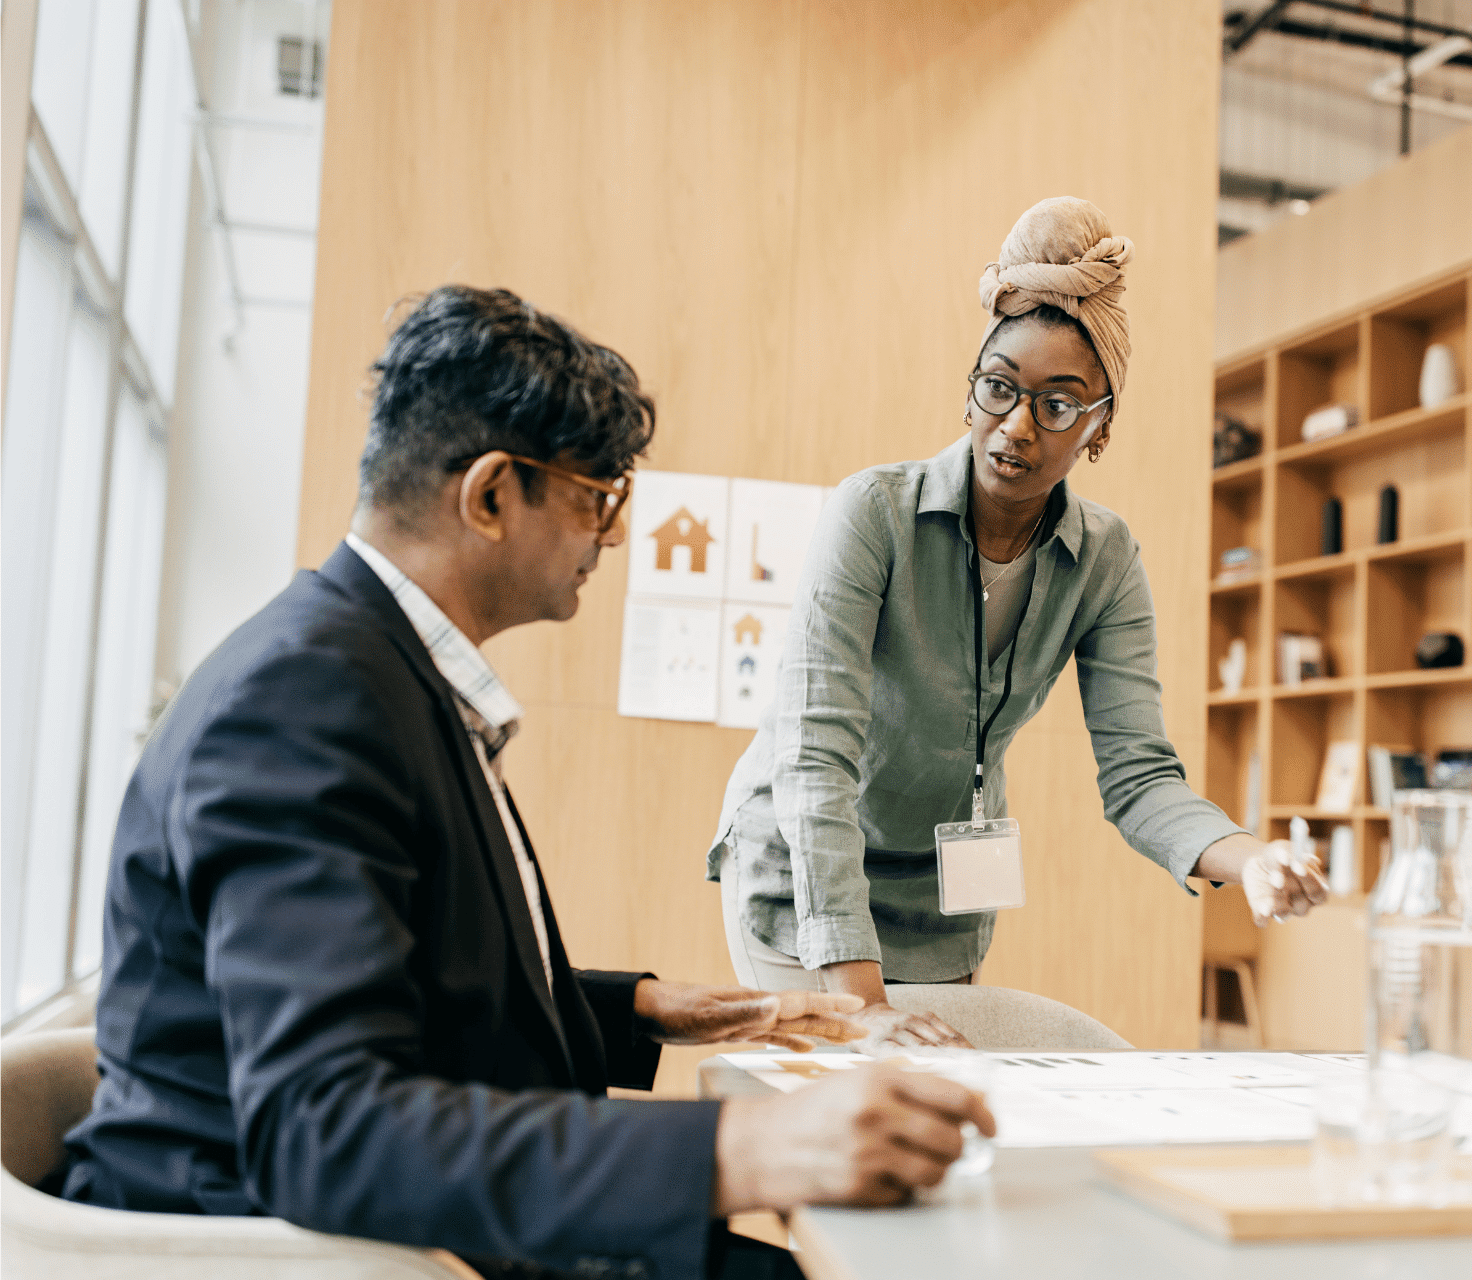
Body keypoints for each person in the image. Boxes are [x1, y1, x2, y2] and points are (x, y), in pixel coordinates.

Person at [62, 286, 995, 1280]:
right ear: (494, 494)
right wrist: (746, 1144)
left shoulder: (372, 668)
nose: (611, 538)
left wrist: (643, 1003)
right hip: (298, 1244)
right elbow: (323, 1126)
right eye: (599, 499)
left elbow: (413, 985)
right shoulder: (303, 702)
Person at [708, 197, 1325, 1048]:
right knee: (855, 1090)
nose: (1017, 426)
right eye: (999, 389)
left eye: (1059, 405)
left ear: (1099, 428)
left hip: (940, 893)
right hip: (804, 871)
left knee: (936, 1104)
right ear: (971, 389)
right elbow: (816, 762)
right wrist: (864, 1013)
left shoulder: (1104, 561)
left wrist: (1248, 857)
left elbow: (1141, 776)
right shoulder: (874, 516)